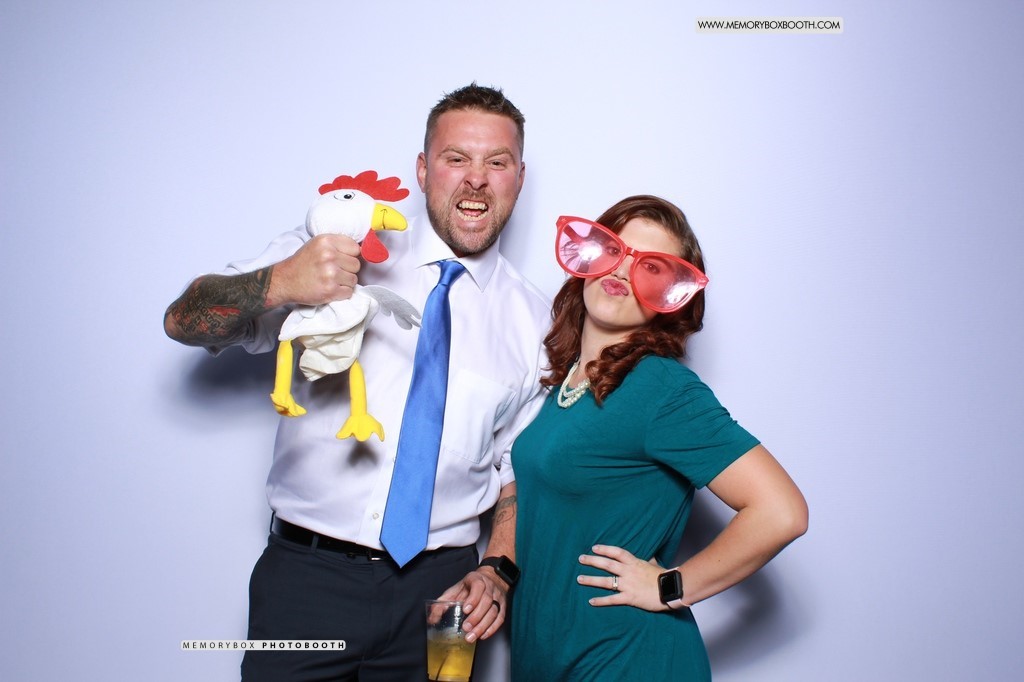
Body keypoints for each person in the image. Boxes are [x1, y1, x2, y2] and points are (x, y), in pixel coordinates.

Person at [164, 84, 550, 681]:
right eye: (456, 158)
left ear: (518, 178)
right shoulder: (337, 246)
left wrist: (497, 569)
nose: (476, 179)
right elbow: (183, 320)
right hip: (306, 581)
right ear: (422, 169)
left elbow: (516, 466)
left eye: (496, 162)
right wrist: (282, 281)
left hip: (444, 594)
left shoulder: (536, 322)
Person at [509, 195, 809, 681]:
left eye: (650, 268)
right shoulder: (568, 383)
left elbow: (782, 512)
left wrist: (670, 587)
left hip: (627, 660)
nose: (623, 271)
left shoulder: (660, 388)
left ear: (671, 297)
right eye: (613, 250)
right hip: (552, 656)